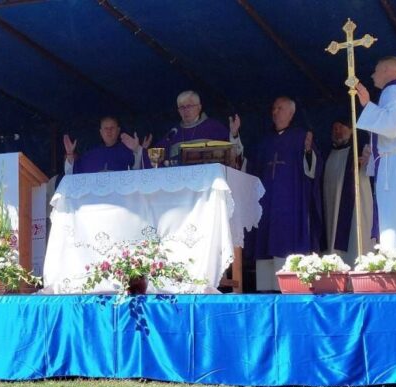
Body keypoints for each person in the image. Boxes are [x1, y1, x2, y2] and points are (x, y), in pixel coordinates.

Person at [253, 97, 321, 291]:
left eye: (280, 108)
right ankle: (267, 289)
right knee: (266, 242)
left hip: (291, 203)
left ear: (291, 113)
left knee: (287, 241)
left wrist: (308, 152)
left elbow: (313, 170)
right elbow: (251, 168)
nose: (275, 112)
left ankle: (290, 287)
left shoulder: (301, 137)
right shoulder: (265, 141)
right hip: (267, 204)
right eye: (274, 108)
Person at [356, 56, 396, 253]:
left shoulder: (392, 91)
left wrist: (367, 105)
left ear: (387, 70)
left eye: (376, 71)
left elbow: (390, 126)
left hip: (394, 165)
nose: (373, 75)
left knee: (394, 214)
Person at [144, 90, 243, 168]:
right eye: (182, 107)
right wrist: (141, 151)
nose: (185, 110)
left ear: (199, 107)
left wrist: (234, 135)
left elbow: (233, 158)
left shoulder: (214, 127)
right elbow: (154, 162)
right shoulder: (173, 133)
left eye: (189, 106)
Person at [321, 119, 374, 263]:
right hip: (331, 207)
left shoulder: (358, 152)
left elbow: (371, 167)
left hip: (355, 205)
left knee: (355, 238)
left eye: (341, 127)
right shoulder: (327, 154)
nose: (337, 131)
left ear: (351, 130)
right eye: (335, 128)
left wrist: (367, 160)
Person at [63, 116, 144, 174]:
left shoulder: (127, 151)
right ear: (101, 132)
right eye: (106, 128)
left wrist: (137, 150)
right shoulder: (90, 155)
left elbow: (138, 173)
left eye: (112, 128)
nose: (109, 131)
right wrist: (70, 154)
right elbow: (71, 175)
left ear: (118, 130)